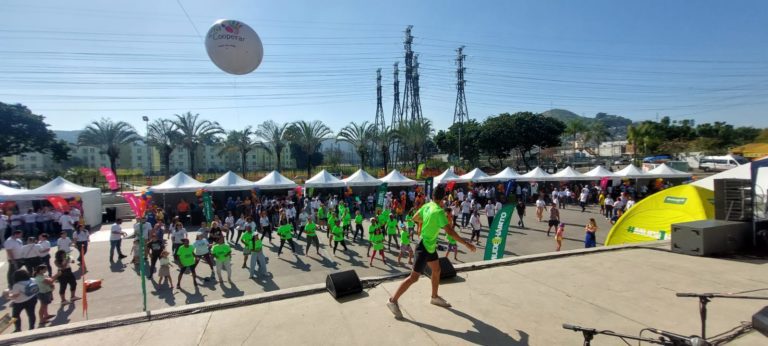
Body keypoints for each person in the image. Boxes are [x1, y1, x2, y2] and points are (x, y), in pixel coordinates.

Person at [387, 185, 477, 319]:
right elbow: (450, 232)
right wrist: (467, 243)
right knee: (414, 278)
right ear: (443, 198)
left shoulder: (427, 206)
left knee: (437, 270)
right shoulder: (439, 212)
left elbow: (415, 217)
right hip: (423, 247)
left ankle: (434, 297)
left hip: (430, 247)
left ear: (433, 196)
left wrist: (426, 222)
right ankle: (392, 301)